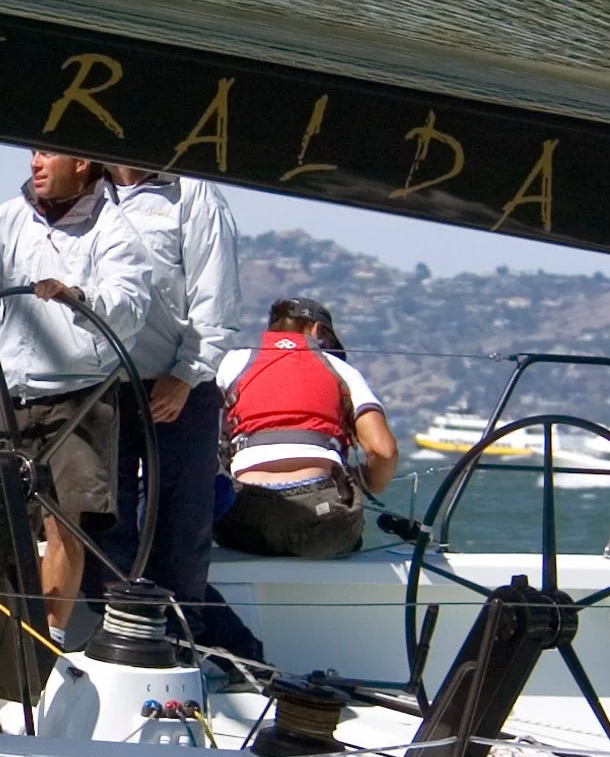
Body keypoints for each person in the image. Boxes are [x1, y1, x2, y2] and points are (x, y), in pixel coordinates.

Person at [0, 150, 154, 639]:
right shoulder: (5, 221)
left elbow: (129, 307)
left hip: (79, 398)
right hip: (12, 396)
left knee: (66, 523)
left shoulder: (116, 231)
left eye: (47, 152)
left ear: (82, 162)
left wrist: (79, 297)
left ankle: (49, 638)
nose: (34, 162)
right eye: (34, 152)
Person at [105, 166, 263, 657]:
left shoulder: (194, 197)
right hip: (102, 383)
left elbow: (215, 299)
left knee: (181, 520)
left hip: (178, 383)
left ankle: (185, 643)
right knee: (102, 513)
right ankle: (125, 630)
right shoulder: (87, 191)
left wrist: (187, 373)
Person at [214, 298, 399, 558]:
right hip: (322, 518)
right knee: (340, 537)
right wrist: (368, 482)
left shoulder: (230, 363)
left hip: (245, 516)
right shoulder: (341, 369)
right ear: (316, 331)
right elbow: (384, 451)